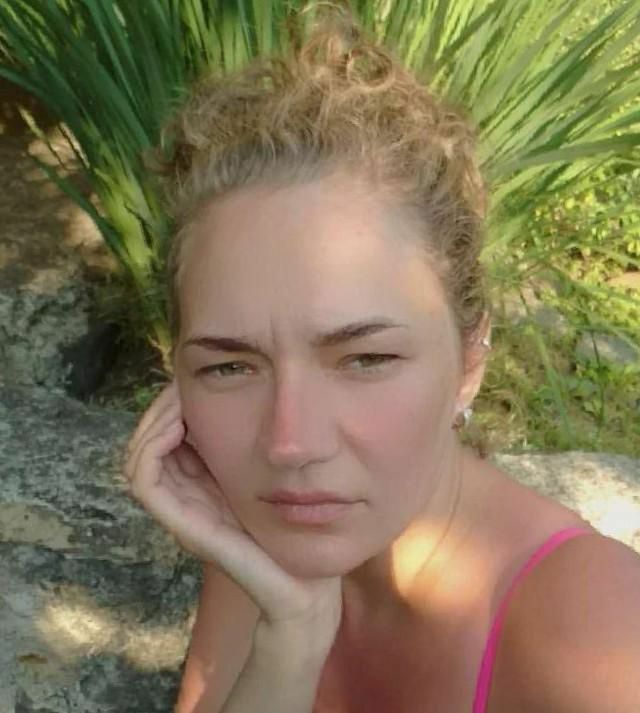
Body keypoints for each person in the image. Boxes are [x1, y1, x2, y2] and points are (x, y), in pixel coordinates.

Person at [124, 3, 640, 712]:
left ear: (470, 360)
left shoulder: (599, 640)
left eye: (365, 359)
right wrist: (292, 638)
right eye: (229, 366)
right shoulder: (263, 538)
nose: (290, 444)